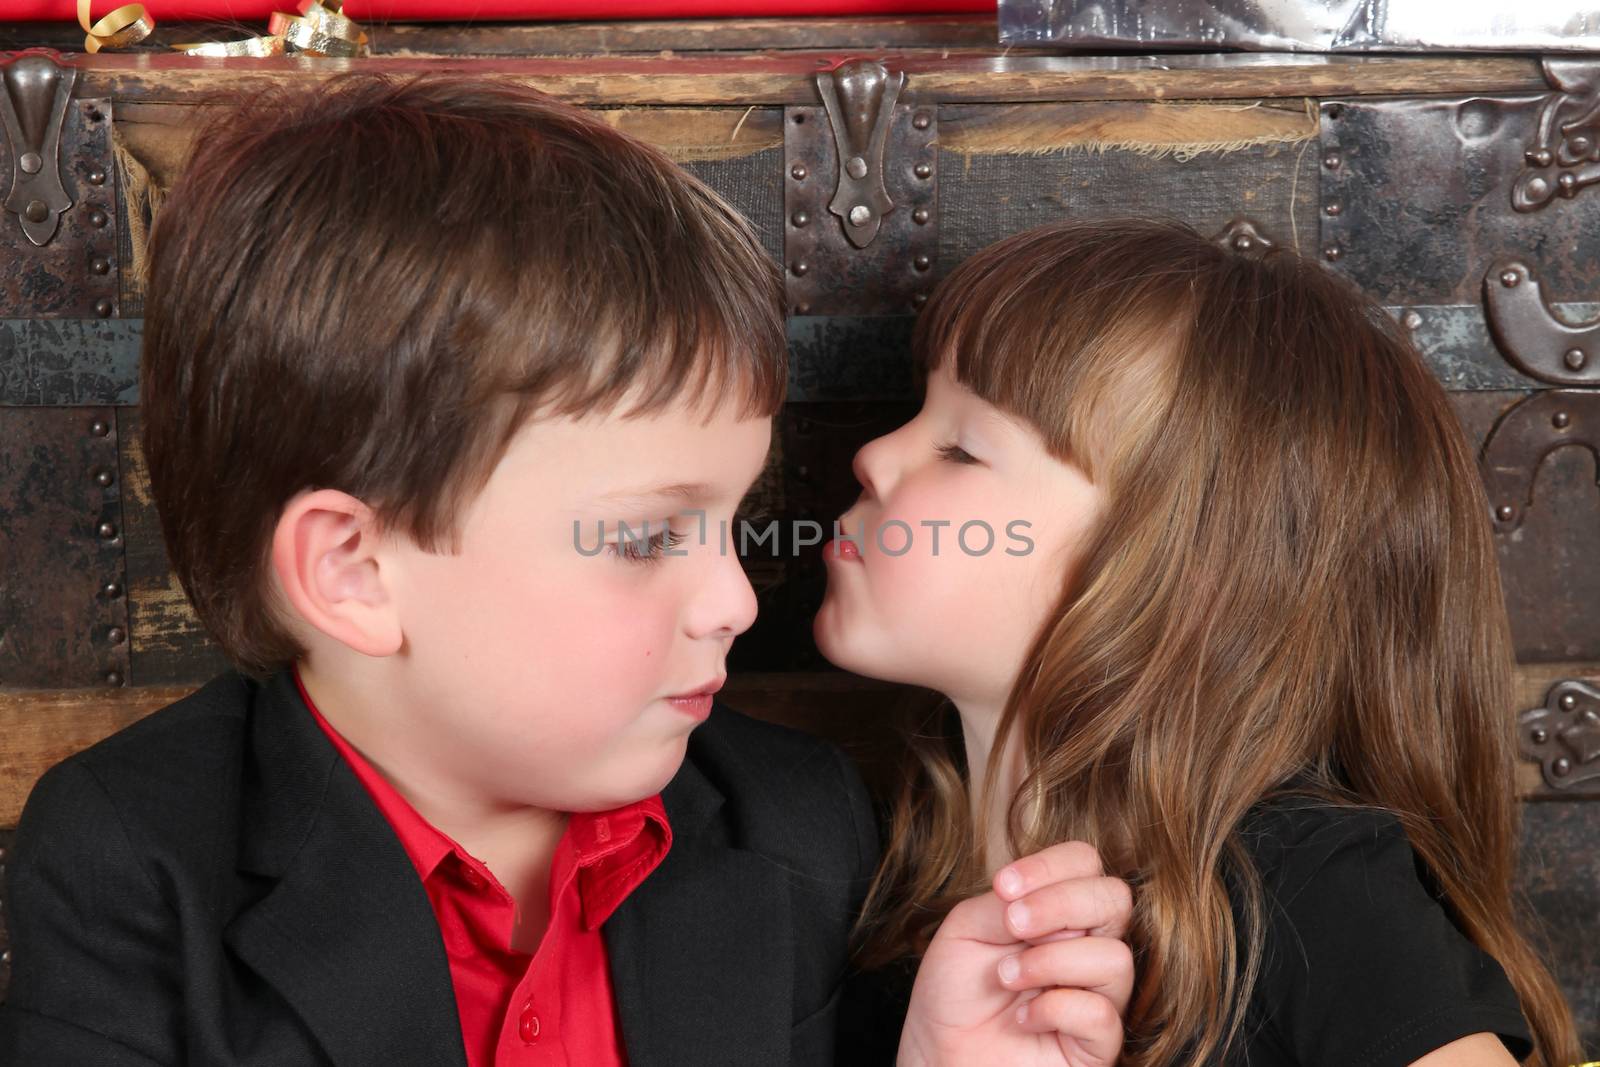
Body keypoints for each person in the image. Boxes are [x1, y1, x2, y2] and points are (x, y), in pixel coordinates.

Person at [0, 75, 1134, 1066]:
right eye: (644, 536)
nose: (737, 599)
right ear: (352, 568)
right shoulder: (134, 857)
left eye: (737, 518)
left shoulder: (795, 824)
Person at [815, 217, 1585, 1066]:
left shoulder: (1302, 886)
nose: (875, 456)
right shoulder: (871, 882)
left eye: (961, 449)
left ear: (1186, 580)